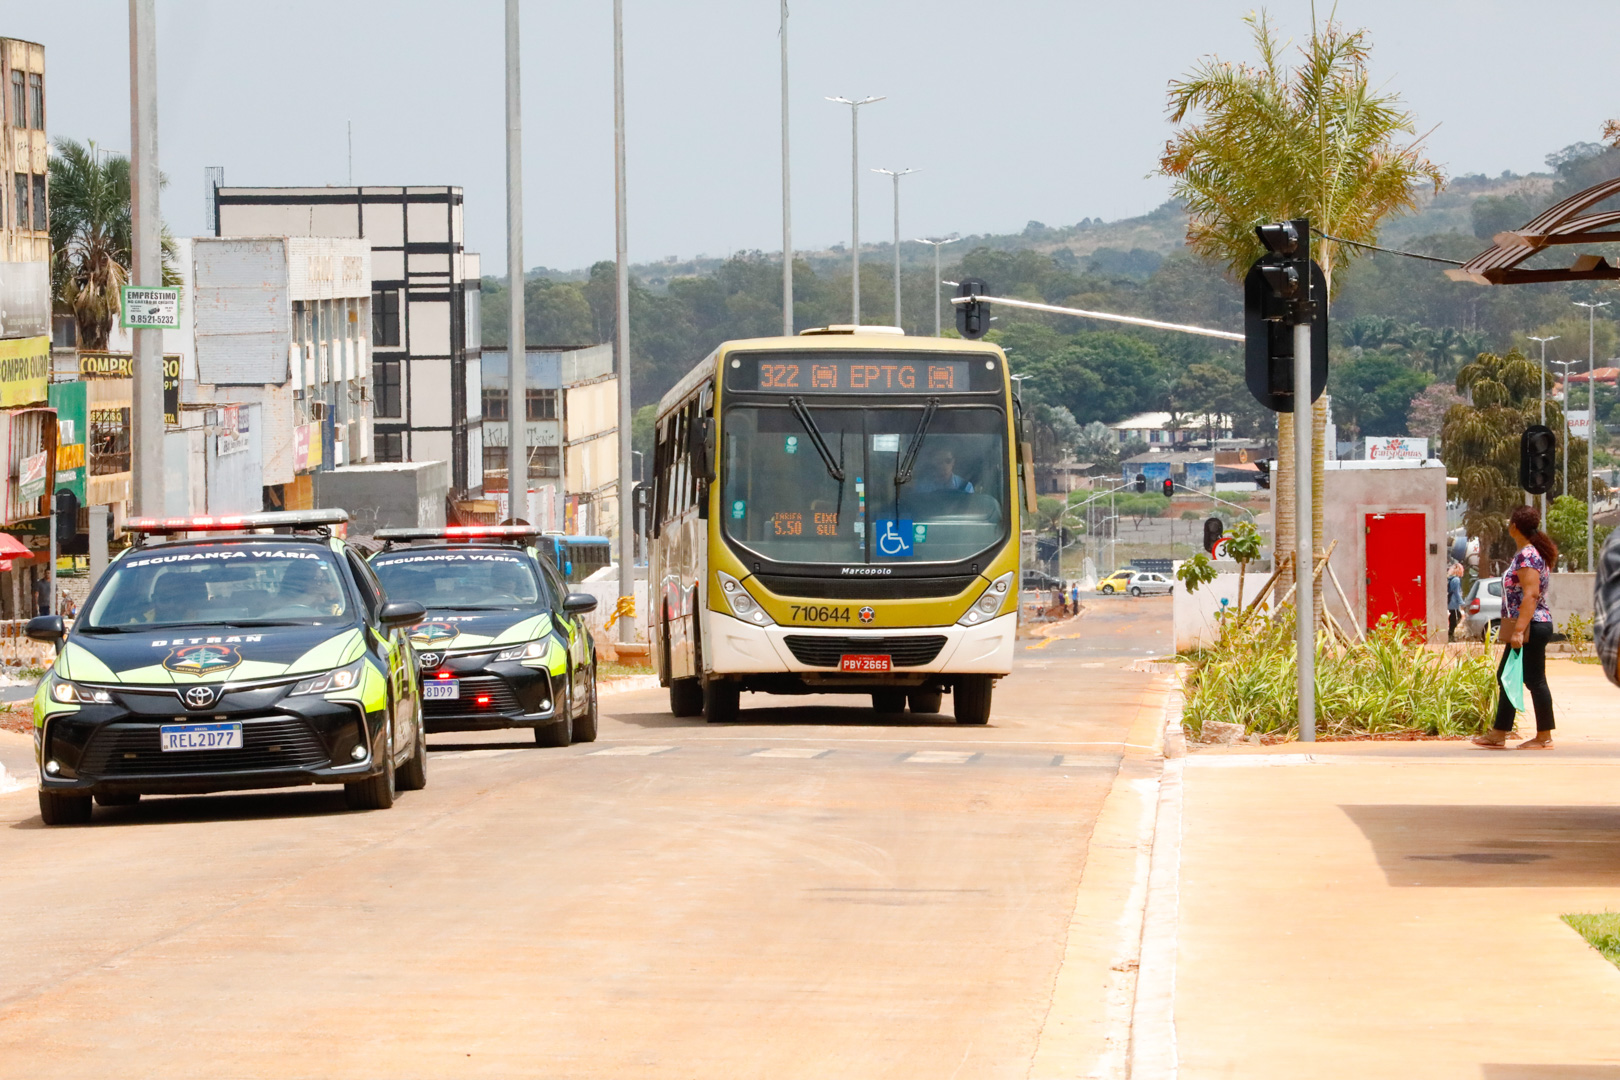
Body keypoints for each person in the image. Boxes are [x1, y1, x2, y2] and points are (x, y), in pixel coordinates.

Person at [1473, 505, 1557, 749]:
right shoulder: (1529, 552)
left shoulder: (1528, 555)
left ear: (1514, 527)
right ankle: (1500, 733)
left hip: (1531, 626)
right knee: (1511, 676)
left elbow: (1531, 595)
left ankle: (1541, 737)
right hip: (1528, 624)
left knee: (1532, 679)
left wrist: (1519, 630)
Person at [1446, 560, 1464, 641]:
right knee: (1456, 617)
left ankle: (1450, 633)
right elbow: (1457, 593)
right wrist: (1461, 602)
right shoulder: (1456, 580)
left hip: (1450, 601)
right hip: (1454, 602)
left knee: (1453, 617)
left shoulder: (1451, 579)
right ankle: (1450, 634)